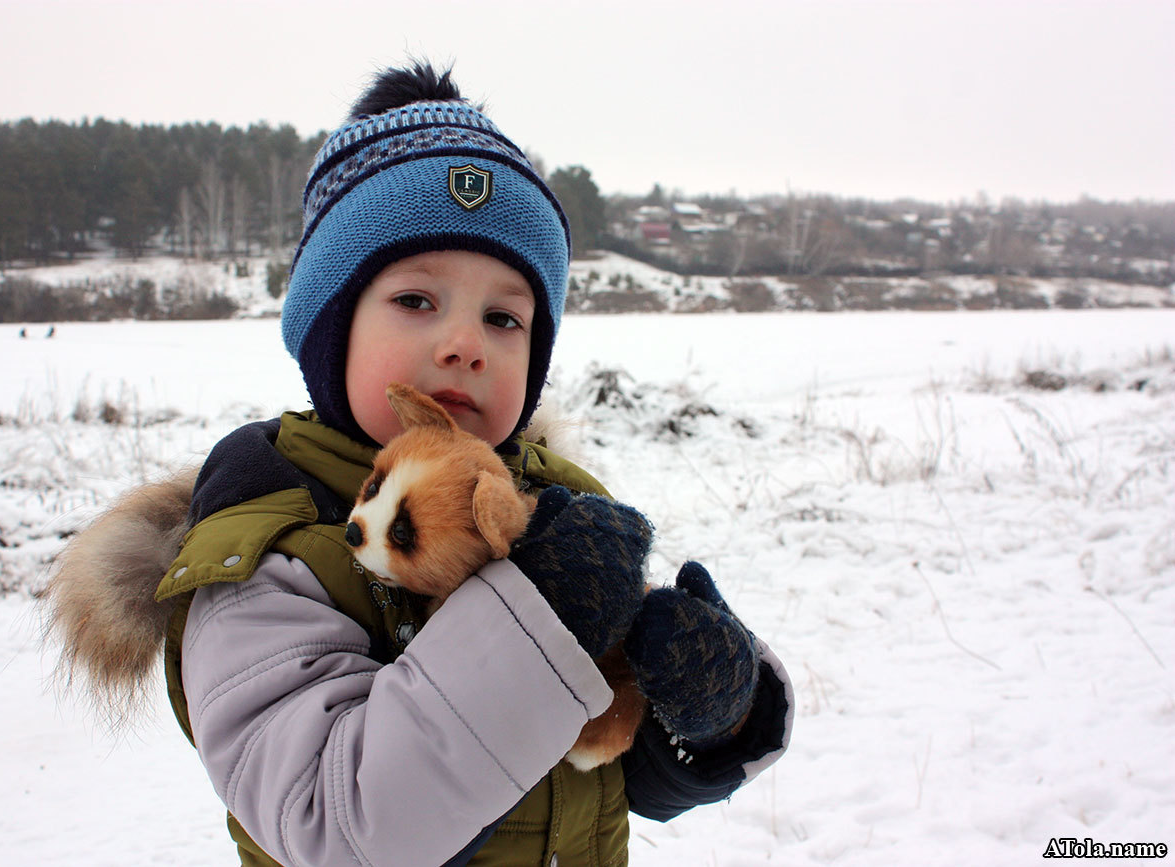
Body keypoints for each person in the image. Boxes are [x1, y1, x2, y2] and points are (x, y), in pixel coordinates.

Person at [46, 62, 792, 867]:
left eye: (504, 315)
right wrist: (538, 620)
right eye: (415, 300)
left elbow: (602, 760)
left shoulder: (555, 507)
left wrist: (711, 713)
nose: (466, 343)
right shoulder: (266, 562)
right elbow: (343, 829)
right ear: (330, 329)